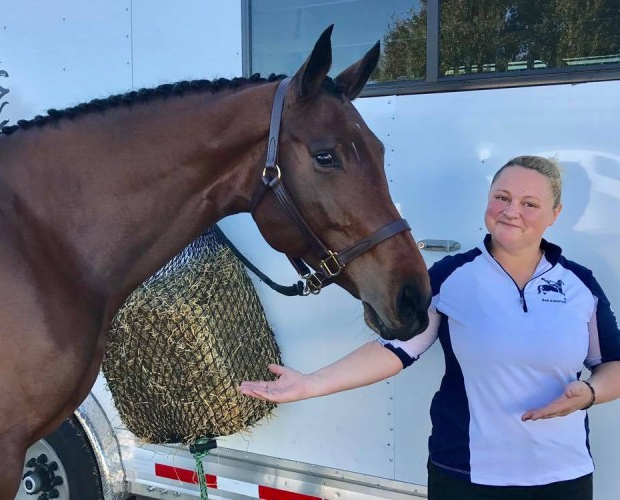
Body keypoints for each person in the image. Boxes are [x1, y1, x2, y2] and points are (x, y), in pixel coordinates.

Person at [239, 156, 620, 500]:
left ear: (555, 214)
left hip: (564, 477)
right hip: (466, 475)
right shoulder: (450, 276)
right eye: (501, 197)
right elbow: (395, 349)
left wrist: (588, 392)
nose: (511, 211)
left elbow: (613, 366)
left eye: (530, 204)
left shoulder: (580, 284)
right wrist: (311, 384)